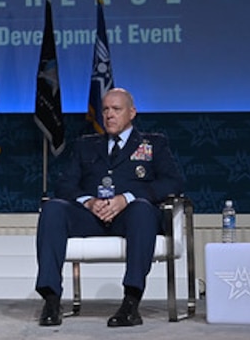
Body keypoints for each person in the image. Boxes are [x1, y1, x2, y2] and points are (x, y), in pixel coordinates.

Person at [34, 87, 185, 327]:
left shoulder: (153, 144)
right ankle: (51, 300)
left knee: (143, 210)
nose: (109, 115)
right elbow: (64, 185)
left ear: (132, 112)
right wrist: (90, 202)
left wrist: (127, 198)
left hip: (130, 218)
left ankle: (131, 303)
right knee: (52, 209)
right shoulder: (86, 145)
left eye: (116, 109)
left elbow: (173, 182)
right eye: (105, 110)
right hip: (91, 217)